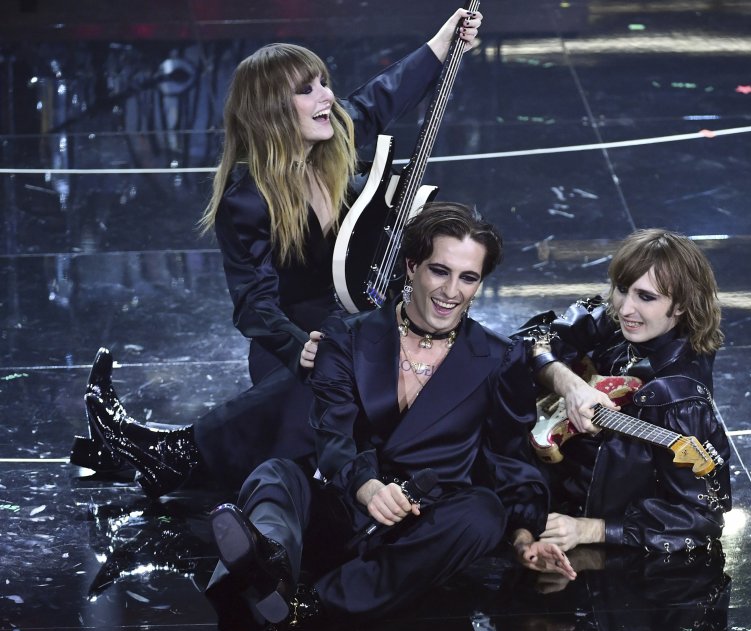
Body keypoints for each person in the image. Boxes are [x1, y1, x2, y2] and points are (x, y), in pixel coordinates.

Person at [75, 8, 484, 496]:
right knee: (331, 378)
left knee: (371, 371)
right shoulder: (246, 200)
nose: (326, 96)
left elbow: (381, 97)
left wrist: (442, 43)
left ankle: (156, 454)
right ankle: (172, 453)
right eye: (307, 90)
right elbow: (254, 305)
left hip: (358, 327)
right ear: (271, 111)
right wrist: (298, 346)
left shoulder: (337, 139)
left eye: (323, 83)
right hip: (294, 343)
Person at [204, 202, 575, 631]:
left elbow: (509, 460)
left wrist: (524, 538)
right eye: (440, 271)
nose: (451, 291)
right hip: (342, 504)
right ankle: (268, 566)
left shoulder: (498, 357)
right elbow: (333, 432)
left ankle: (310, 602)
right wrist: (366, 486)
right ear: (412, 266)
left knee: (482, 513)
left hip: (419, 531)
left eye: (468, 277)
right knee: (275, 476)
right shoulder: (347, 335)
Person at [519, 229, 733, 554]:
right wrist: (571, 386)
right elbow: (529, 339)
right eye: (622, 289)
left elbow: (701, 519)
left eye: (646, 297)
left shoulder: (678, 399)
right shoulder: (618, 323)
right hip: (552, 472)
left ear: (680, 305)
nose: (625, 308)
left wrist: (590, 529)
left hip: (590, 510)